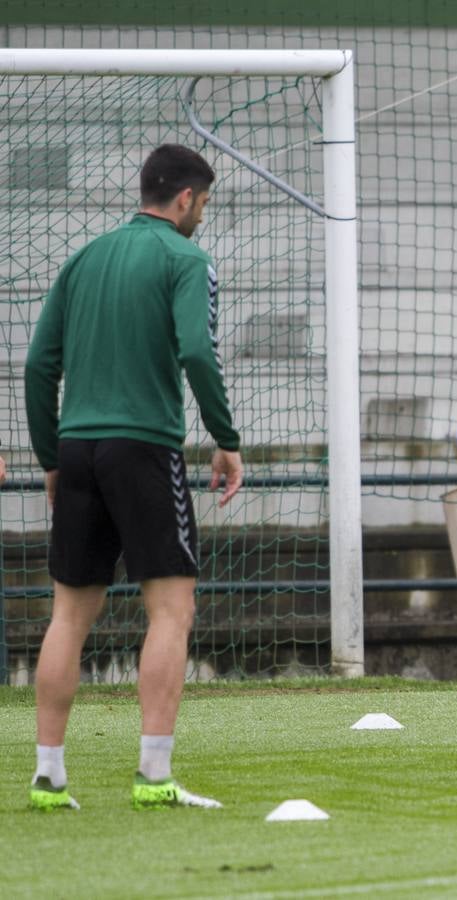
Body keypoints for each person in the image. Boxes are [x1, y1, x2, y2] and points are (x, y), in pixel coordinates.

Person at [25, 144, 244, 810]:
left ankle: (49, 777)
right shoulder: (187, 259)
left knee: (69, 614)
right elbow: (198, 352)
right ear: (185, 199)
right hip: (144, 449)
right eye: (202, 205)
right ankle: (153, 776)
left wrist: (51, 459)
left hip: (80, 449)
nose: (201, 216)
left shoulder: (85, 258)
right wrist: (226, 439)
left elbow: (39, 366)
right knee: (172, 610)